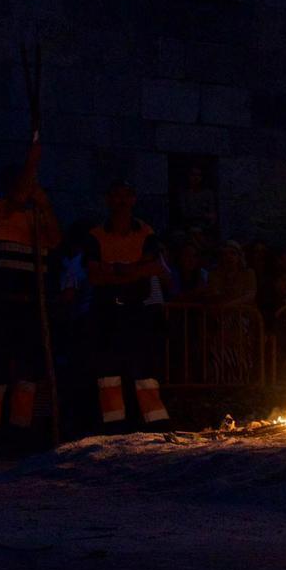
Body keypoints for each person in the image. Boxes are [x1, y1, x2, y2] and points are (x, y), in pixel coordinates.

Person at [0, 148, 61, 434]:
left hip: (31, 304)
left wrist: (46, 206)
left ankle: (20, 427)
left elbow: (55, 240)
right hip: (3, 301)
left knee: (28, 367)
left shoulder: (38, 217)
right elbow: (14, 204)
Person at [86, 181, 169, 428]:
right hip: (106, 309)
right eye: (116, 196)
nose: (121, 202)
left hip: (137, 308)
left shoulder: (145, 232)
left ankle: (154, 421)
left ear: (133, 200)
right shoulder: (96, 235)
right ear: (109, 200)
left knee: (144, 366)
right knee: (108, 368)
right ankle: (113, 423)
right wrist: (133, 270)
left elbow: (153, 267)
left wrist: (116, 270)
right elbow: (93, 274)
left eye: (126, 196)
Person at [175, 165, 217, 232]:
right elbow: (185, 214)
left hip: (205, 228)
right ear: (188, 176)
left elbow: (212, 215)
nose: (196, 177)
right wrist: (204, 215)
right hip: (188, 228)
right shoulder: (184, 194)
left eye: (199, 175)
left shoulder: (208, 193)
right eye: (193, 175)